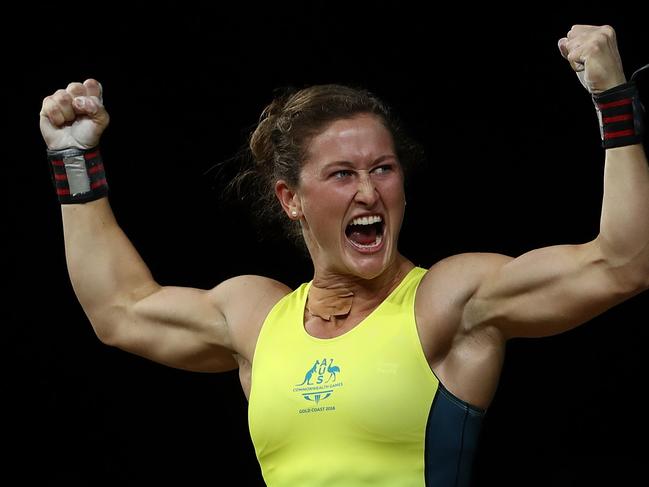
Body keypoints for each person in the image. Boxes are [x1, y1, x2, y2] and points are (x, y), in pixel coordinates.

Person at [39, 24, 648, 487]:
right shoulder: (257, 318)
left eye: (383, 168)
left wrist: (613, 99)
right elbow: (118, 308)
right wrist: (72, 158)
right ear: (291, 199)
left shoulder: (448, 301)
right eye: (341, 174)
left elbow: (620, 264)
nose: (368, 190)